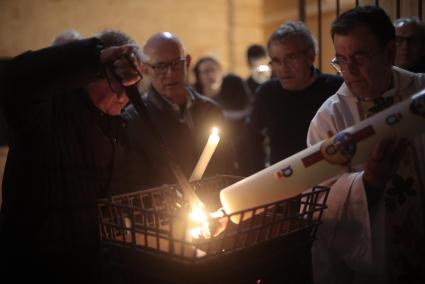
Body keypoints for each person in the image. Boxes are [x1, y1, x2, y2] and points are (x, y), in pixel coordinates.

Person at [0, 30, 142, 283]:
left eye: (131, 86)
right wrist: (93, 58)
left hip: (92, 266)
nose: (123, 96)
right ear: (90, 77)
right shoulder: (45, 114)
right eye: (115, 82)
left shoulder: (117, 126)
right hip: (38, 265)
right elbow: (16, 77)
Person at [307, 6, 425, 283]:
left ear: (390, 51)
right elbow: (319, 200)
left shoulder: (419, 94)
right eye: (341, 60)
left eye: (359, 57)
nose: (350, 70)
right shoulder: (330, 117)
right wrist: (368, 183)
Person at [120, 32, 238, 192]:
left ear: (187, 62)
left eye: (176, 64)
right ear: (145, 69)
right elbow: (136, 183)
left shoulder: (210, 110)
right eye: (160, 67)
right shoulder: (134, 120)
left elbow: (228, 165)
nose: (171, 73)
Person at [249, 21, 343, 173]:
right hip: (280, 184)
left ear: (310, 56)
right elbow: (250, 141)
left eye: (290, 58)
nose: (283, 68)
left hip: (327, 181)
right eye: (277, 61)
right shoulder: (267, 93)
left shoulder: (335, 89)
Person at [193, 56, 252, 175]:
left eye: (213, 70)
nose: (210, 75)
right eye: (205, 72)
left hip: (240, 149)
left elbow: (248, 112)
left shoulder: (234, 90)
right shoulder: (195, 99)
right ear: (199, 76)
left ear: (221, 72)